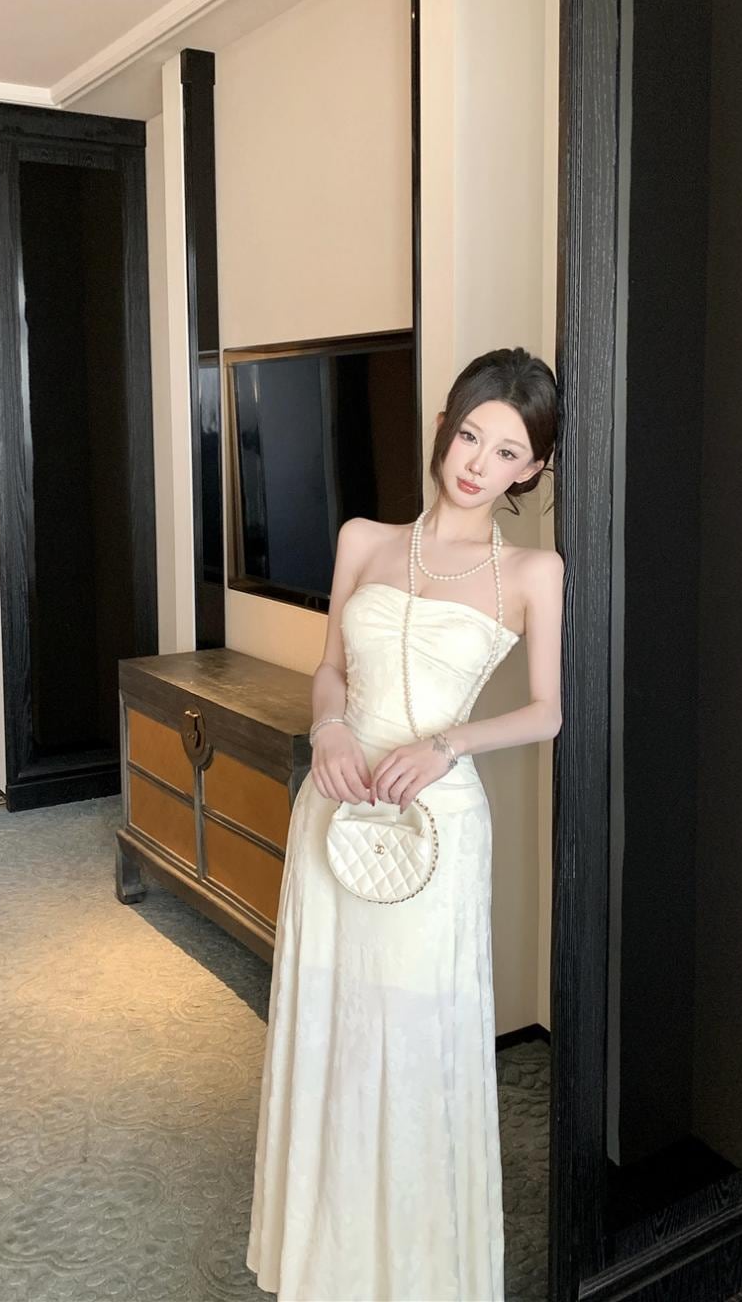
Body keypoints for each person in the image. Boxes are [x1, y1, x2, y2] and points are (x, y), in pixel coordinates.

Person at [245, 347, 563, 1301]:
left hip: (436, 824)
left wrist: (448, 745)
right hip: (337, 801)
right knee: (331, 1020)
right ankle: (325, 1265)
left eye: (507, 453)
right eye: (470, 436)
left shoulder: (534, 571)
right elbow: (330, 668)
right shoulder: (365, 540)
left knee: (416, 1036)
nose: (478, 464)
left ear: (532, 470)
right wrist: (329, 726)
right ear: (443, 429)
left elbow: (546, 711)